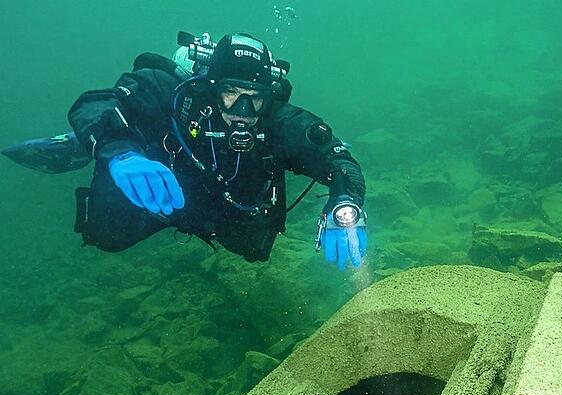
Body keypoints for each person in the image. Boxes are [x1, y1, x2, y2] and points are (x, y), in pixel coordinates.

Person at [66, 32, 367, 268]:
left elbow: (338, 158)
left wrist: (345, 201)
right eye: (231, 92)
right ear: (212, 88)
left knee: (254, 248)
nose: (242, 110)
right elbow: (96, 103)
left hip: (217, 214)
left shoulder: (280, 122)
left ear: (268, 98)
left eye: (254, 97)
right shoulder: (178, 96)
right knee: (107, 235)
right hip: (160, 197)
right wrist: (119, 151)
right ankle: (93, 141)